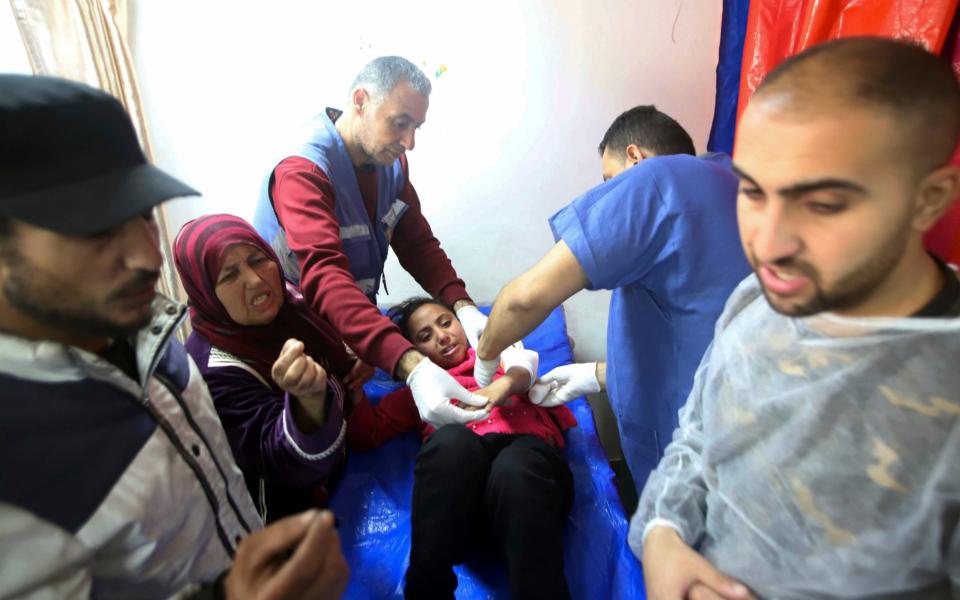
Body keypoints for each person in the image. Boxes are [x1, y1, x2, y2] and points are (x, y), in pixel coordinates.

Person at [633, 37, 960, 600]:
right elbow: (699, 434)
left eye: (825, 204)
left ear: (928, 200)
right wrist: (662, 535)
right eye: (754, 193)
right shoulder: (753, 299)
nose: (769, 244)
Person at [0, 74, 347, 598]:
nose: (145, 256)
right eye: (95, 229)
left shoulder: (153, 341)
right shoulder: (17, 461)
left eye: (143, 215)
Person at [475, 105, 751, 493]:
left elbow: (524, 300)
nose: (610, 192)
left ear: (635, 158)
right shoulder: (729, 176)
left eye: (609, 180)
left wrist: (485, 359)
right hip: (753, 426)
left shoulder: (655, 180)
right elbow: (697, 325)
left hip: (696, 450)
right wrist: (598, 375)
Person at [254, 56, 512, 427]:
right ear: (360, 102)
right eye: (400, 123)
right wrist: (411, 365)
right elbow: (325, 277)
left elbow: (416, 242)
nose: (409, 142)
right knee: (318, 434)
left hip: (348, 320)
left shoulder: (390, 164)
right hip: (294, 334)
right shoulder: (302, 172)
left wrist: (463, 305)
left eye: (417, 127)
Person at [346, 297, 576, 600]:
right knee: (452, 441)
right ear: (411, 353)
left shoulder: (502, 361)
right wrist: (353, 386)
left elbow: (525, 368)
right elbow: (368, 433)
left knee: (516, 465)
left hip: (530, 494)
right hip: (465, 509)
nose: (442, 337)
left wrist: (501, 385)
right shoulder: (421, 391)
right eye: (425, 337)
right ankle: (426, 589)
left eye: (445, 322)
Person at [175, 213, 364, 522]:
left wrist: (356, 352)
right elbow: (283, 463)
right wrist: (308, 402)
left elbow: (338, 340)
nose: (254, 279)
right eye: (229, 275)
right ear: (206, 293)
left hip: (341, 466)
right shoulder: (212, 372)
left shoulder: (291, 302)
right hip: (284, 522)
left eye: (258, 259)